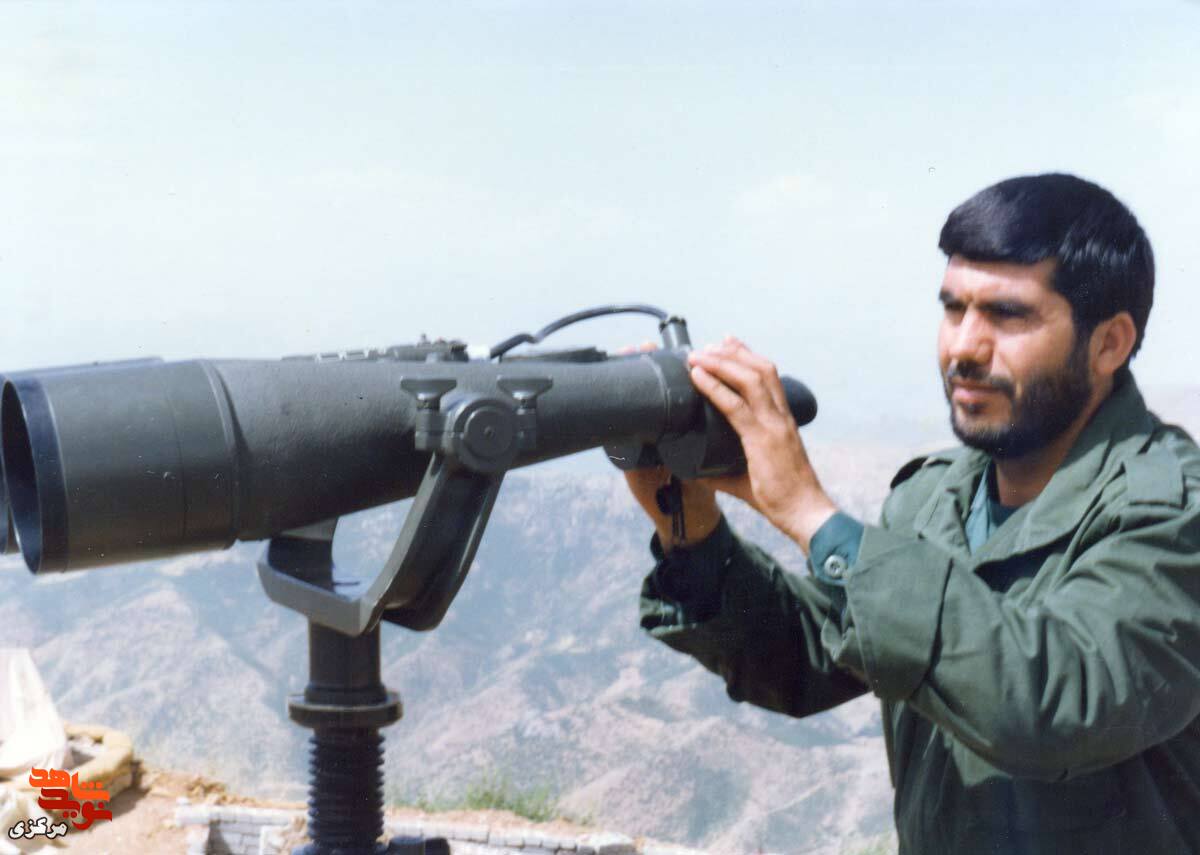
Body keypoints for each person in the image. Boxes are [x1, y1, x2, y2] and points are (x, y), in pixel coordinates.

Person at [627, 173, 1200, 853]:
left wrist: (811, 514)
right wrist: (690, 527)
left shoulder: (1171, 514)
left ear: (1109, 343)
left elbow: (1056, 702)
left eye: (1008, 316)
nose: (964, 347)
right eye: (954, 309)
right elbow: (806, 659)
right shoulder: (934, 500)